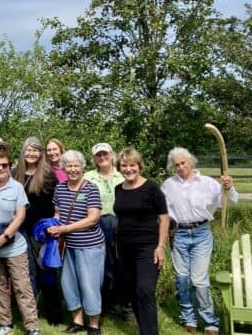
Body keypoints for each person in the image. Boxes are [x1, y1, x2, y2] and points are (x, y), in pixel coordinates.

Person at [162, 147, 237, 335]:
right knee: (182, 278)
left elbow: (230, 201)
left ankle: (210, 321)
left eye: (183, 163)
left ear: (191, 162)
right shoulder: (169, 184)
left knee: (199, 279)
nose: (180, 167)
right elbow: (161, 209)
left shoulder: (207, 183)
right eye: (176, 164)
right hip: (179, 233)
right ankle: (189, 317)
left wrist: (228, 188)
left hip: (201, 233)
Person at [0, 150, 41, 335]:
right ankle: (4, 323)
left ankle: (32, 326)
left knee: (22, 286)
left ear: (9, 167)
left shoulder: (16, 188)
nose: (0, 168)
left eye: (4, 165)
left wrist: (4, 237)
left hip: (14, 244)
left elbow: (20, 216)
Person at [48, 150, 105, 335]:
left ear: (82, 167)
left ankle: (94, 325)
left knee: (90, 285)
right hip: (66, 246)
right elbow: (58, 213)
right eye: (69, 166)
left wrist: (64, 229)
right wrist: (53, 226)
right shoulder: (60, 188)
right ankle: (77, 322)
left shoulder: (91, 188)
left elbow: (93, 219)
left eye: (76, 165)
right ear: (63, 168)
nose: (72, 169)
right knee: (68, 284)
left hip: (89, 246)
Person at [114, 147, 169, 335]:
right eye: (124, 165)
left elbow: (164, 218)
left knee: (145, 290)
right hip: (125, 247)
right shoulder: (118, 189)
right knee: (132, 291)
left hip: (148, 248)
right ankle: (144, 328)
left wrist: (161, 246)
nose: (128, 169)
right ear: (119, 167)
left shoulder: (151, 188)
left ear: (139, 166)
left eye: (132, 165)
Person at [13, 136, 63, 325]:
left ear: (40, 153)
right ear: (23, 152)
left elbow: (56, 203)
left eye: (35, 150)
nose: (31, 153)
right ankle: (30, 314)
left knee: (47, 271)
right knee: (26, 274)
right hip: (20, 229)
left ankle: (54, 315)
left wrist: (55, 223)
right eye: (28, 149)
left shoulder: (48, 174)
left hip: (42, 230)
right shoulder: (15, 173)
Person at [83, 142, 125, 313]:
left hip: (121, 225)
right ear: (94, 158)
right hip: (97, 225)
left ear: (111, 155)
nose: (102, 157)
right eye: (98, 155)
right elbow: (80, 200)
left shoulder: (122, 176)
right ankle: (106, 304)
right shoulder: (88, 178)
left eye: (105, 154)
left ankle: (124, 303)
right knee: (102, 265)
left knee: (120, 264)